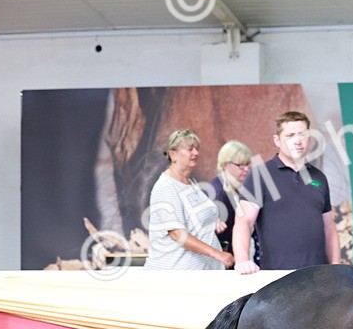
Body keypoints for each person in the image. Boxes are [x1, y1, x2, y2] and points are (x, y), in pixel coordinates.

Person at [233, 111, 341, 274]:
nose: (297, 141)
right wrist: (242, 261)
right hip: (276, 279)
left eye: (302, 135)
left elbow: (329, 227)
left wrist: (335, 264)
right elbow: (244, 222)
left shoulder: (319, 177)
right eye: (290, 135)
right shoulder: (260, 175)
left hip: (319, 277)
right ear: (277, 140)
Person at [144, 129, 235, 271]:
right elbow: (177, 234)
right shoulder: (166, 187)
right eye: (190, 149)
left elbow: (195, 223)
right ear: (173, 154)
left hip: (202, 273)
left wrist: (212, 223)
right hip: (177, 275)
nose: (196, 153)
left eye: (197, 149)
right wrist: (219, 255)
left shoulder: (190, 183)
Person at [208, 140, 254, 255]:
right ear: (225, 165)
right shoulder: (215, 193)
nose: (246, 169)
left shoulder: (239, 188)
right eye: (240, 165)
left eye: (248, 164)